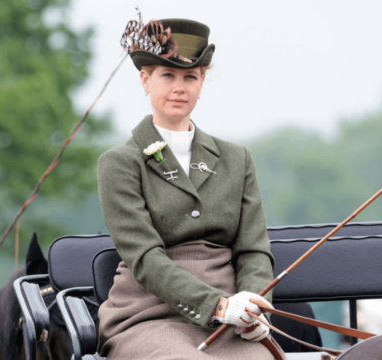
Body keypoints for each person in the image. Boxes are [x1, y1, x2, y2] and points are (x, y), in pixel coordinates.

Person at [96, 18, 285, 359]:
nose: (179, 87)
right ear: (145, 80)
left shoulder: (235, 158)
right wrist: (217, 305)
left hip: (232, 322)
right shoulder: (120, 163)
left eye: (190, 77)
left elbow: (253, 250)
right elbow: (145, 258)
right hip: (148, 317)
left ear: (202, 83)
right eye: (168, 75)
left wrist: (255, 306)